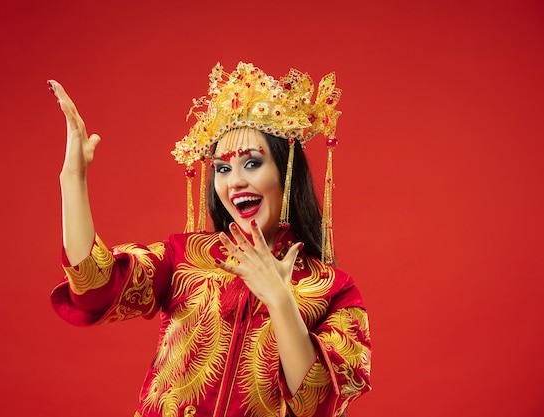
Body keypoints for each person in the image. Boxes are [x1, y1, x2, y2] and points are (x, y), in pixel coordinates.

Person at [49, 62, 371, 417]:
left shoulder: (333, 290)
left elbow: (317, 403)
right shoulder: (186, 257)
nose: (233, 183)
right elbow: (93, 286)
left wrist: (280, 299)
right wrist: (72, 178)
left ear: (286, 171)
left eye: (251, 164)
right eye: (222, 168)